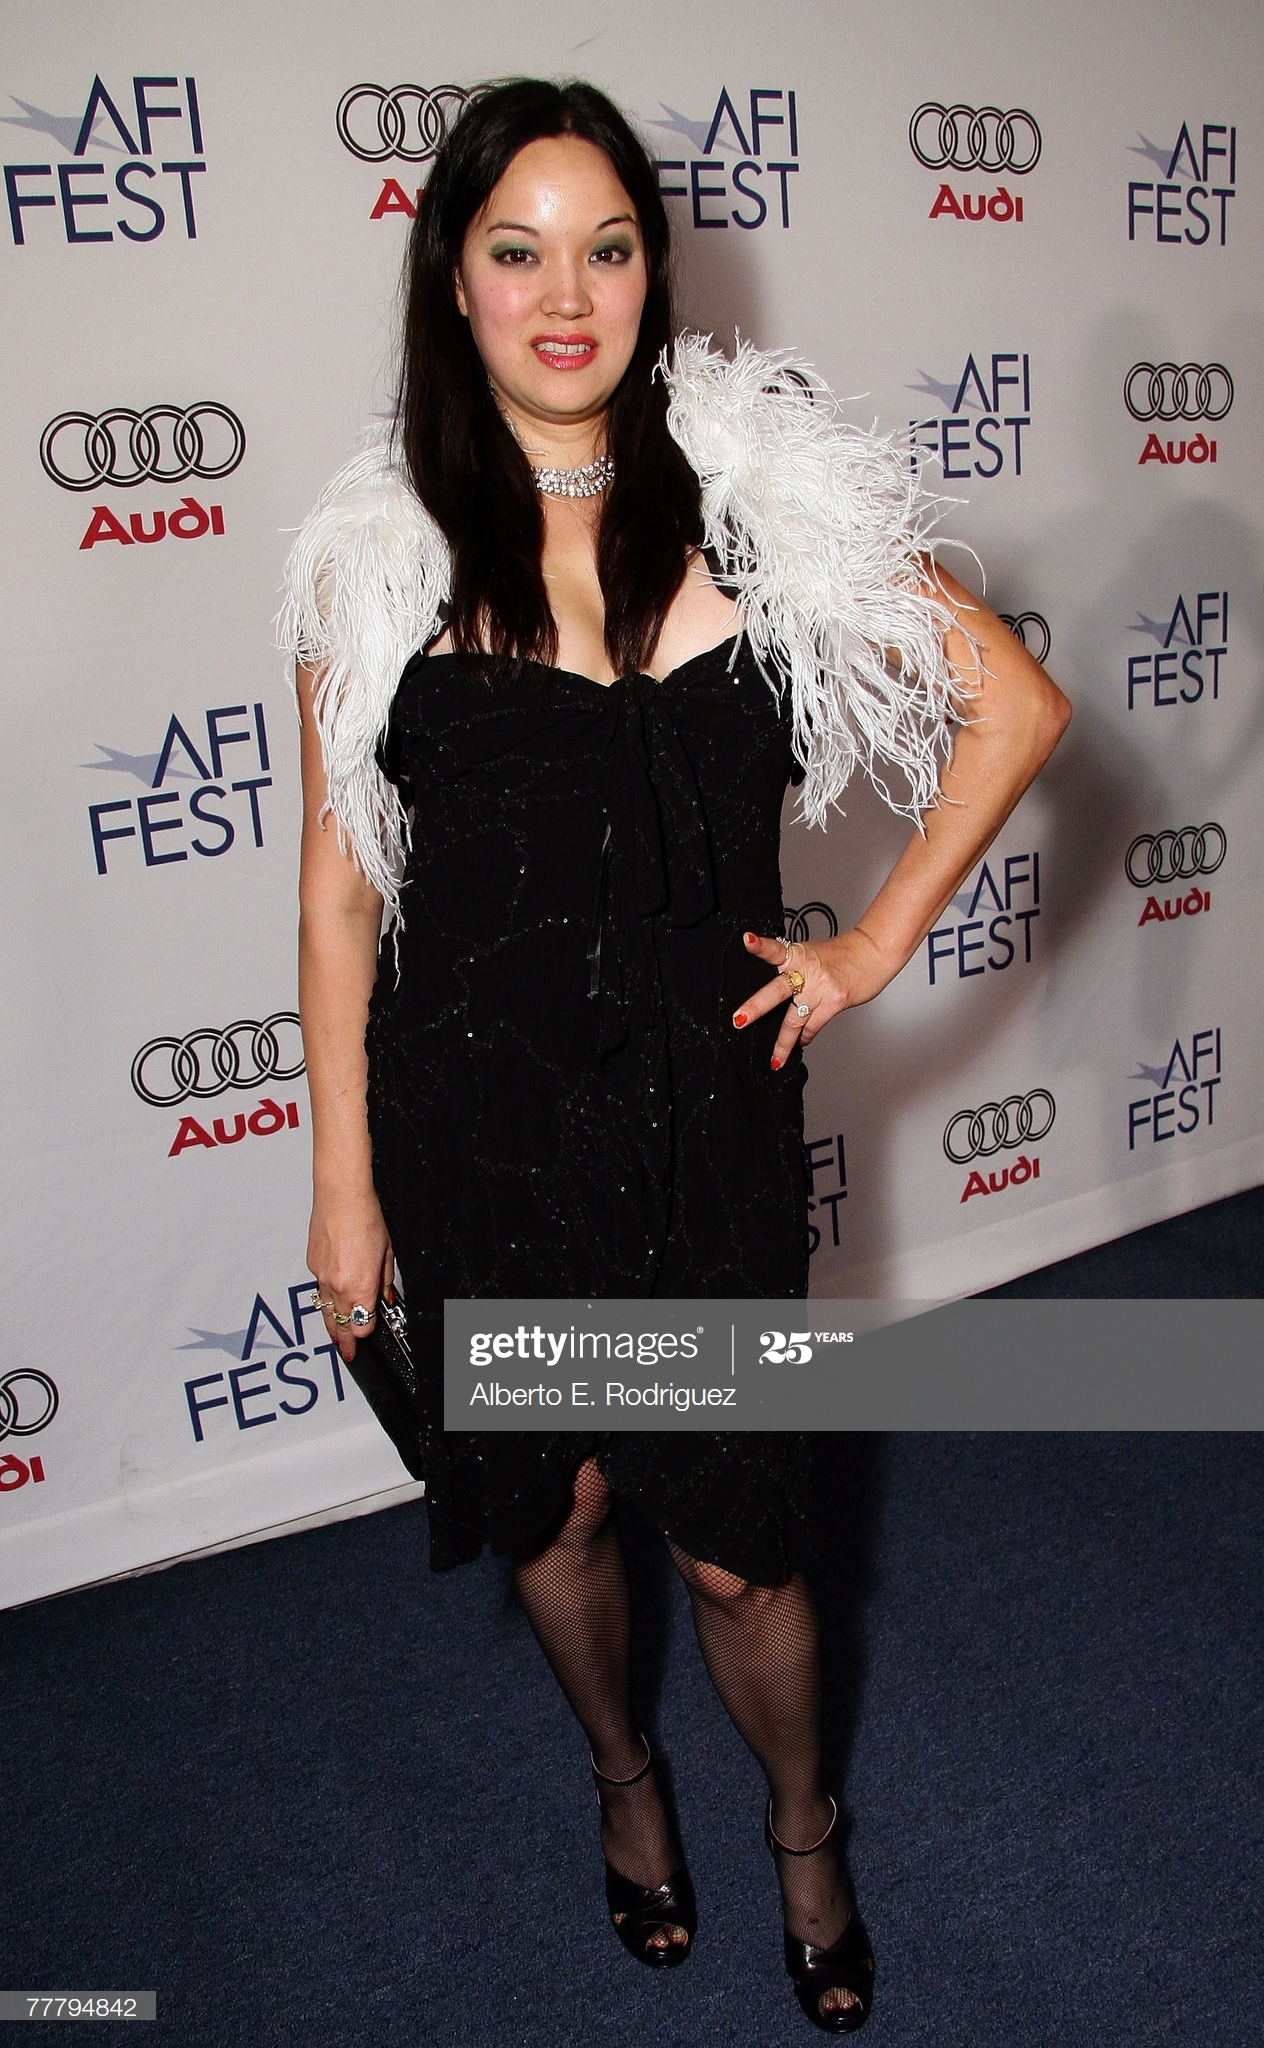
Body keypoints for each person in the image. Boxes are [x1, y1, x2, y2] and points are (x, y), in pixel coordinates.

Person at [282, 77, 1069, 2034]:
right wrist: (342, 1188)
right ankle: (622, 1776)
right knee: (549, 1505)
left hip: (699, 1140)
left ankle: (802, 1823)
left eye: (607, 248)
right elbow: (338, 898)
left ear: (654, 272)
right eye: (518, 251)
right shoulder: (376, 561)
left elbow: (1013, 704)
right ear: (453, 282)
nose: (567, 296)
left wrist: (873, 942)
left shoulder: (757, 511)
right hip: (482, 1132)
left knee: (738, 1556)